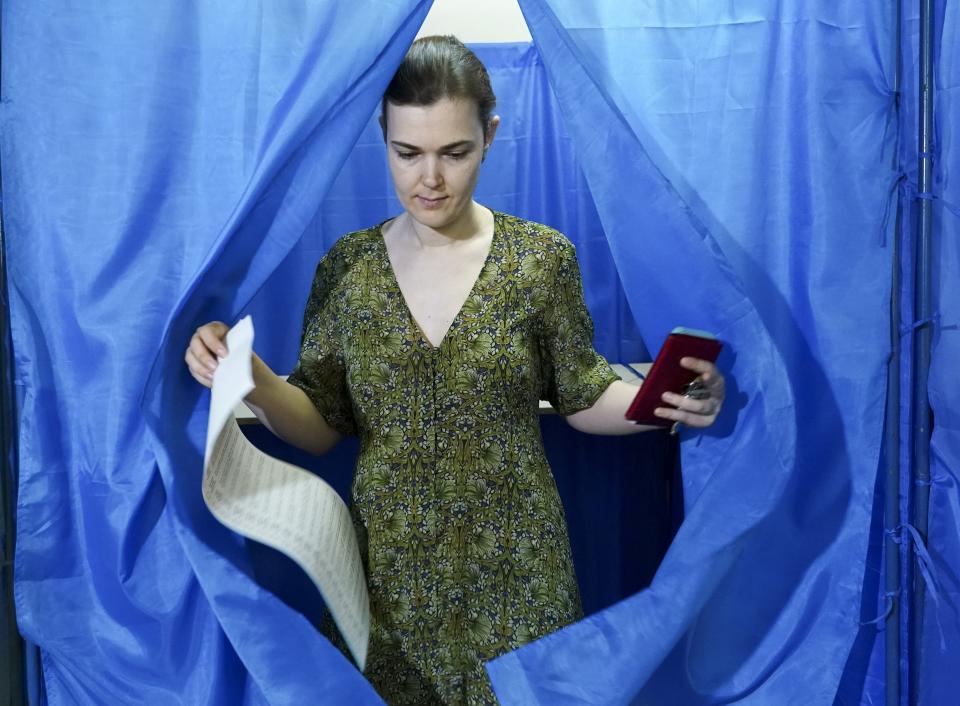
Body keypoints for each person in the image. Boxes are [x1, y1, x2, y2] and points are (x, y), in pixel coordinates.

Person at [185, 35, 725, 706]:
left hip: (521, 575)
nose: (429, 179)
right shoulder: (347, 270)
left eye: (454, 152)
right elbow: (323, 425)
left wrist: (664, 399)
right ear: (382, 139)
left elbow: (582, 395)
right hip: (386, 583)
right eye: (407, 153)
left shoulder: (540, 259)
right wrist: (253, 378)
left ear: (491, 136)